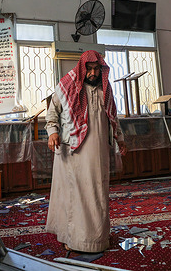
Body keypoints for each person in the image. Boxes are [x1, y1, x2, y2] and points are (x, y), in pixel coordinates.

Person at [45, 50, 127, 254]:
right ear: (83, 68)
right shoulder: (66, 86)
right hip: (72, 151)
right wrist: (52, 132)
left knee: (97, 193)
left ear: (101, 69)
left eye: (96, 69)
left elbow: (113, 118)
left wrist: (121, 139)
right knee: (74, 195)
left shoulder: (105, 90)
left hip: (98, 154)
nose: (92, 73)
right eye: (89, 69)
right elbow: (52, 113)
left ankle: (97, 239)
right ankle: (72, 238)